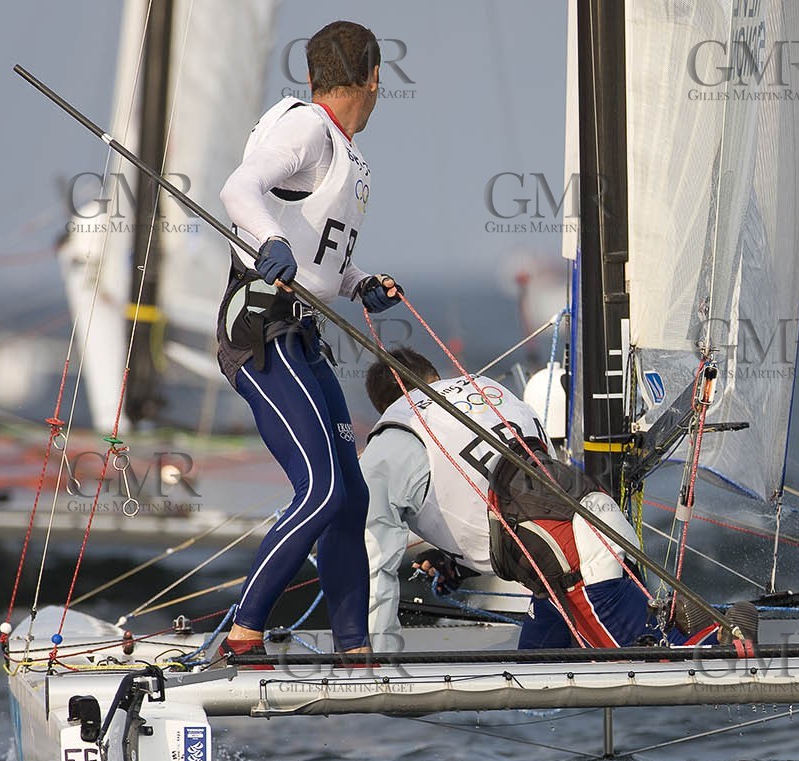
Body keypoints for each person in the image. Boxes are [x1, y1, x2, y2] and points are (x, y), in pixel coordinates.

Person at [214, 21, 403, 659]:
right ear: (374, 79)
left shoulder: (341, 152)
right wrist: (266, 239)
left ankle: (354, 649)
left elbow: (317, 260)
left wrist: (357, 284)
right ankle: (244, 631)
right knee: (321, 490)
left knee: (351, 497)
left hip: (302, 334)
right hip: (260, 332)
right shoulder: (307, 128)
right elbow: (238, 189)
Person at [361, 346, 735, 653]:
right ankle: (685, 623)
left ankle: (725, 640)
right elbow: (497, 496)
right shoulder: (490, 391)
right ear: (436, 377)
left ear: (385, 406)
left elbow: (377, 555)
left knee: (652, 661)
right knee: (533, 677)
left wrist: (376, 652)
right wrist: (456, 564)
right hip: (591, 522)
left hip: (569, 562)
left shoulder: (397, 436)